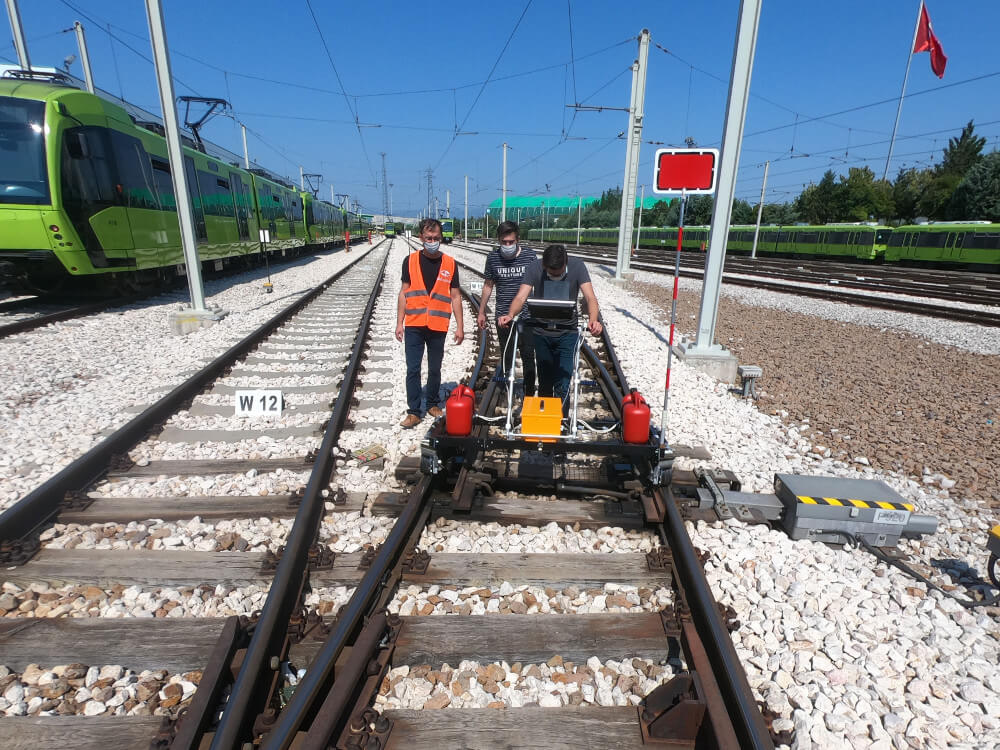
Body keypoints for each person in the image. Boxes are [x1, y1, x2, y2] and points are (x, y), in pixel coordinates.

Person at [500, 244, 602, 402]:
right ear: (544, 266)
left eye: (558, 273)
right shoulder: (534, 268)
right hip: (541, 332)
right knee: (545, 382)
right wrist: (510, 314)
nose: (554, 276)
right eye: (550, 273)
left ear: (565, 264)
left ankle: (562, 421)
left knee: (563, 382)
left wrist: (593, 319)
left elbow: (590, 297)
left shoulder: (578, 266)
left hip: (567, 332)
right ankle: (545, 421)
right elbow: (521, 297)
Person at [395, 218, 465, 428]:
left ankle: (433, 402)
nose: (432, 241)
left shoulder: (450, 263)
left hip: (437, 325)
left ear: (441, 238)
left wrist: (460, 327)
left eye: (436, 238)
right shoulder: (410, 261)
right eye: (428, 238)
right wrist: (399, 322)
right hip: (414, 324)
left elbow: (455, 296)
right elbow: (403, 293)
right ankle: (414, 411)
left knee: (435, 367)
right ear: (421, 238)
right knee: (413, 368)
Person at [477, 221, 538, 397]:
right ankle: (507, 390)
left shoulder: (529, 256)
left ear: (517, 239)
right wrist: (482, 311)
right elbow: (488, 285)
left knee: (528, 355)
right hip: (502, 315)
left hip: (527, 315)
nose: (508, 246)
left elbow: (538, 283)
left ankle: (528, 392)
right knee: (506, 354)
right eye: (504, 242)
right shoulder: (493, 258)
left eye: (511, 242)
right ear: (499, 240)